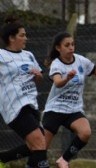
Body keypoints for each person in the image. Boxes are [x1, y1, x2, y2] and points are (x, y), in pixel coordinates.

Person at [41, 31, 96, 168]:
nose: (71, 48)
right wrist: (67, 78)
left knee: (85, 133)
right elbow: (57, 82)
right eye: (67, 45)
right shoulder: (56, 64)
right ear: (58, 48)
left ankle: (63, 160)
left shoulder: (82, 61)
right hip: (55, 108)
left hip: (74, 109)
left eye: (73, 44)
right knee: (41, 148)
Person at [0, 17, 49, 168]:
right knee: (40, 143)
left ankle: (2, 159)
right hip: (14, 107)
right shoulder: (1, 55)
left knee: (36, 145)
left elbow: (39, 79)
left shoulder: (28, 55)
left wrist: (38, 76)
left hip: (31, 104)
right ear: (11, 38)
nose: (25, 38)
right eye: (22, 35)